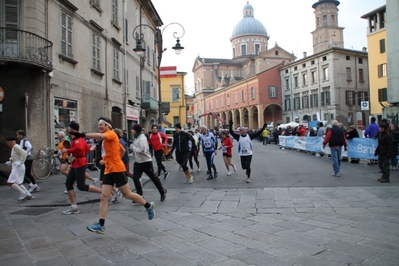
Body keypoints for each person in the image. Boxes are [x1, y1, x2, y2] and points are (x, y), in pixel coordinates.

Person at [71, 118, 156, 234]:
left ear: (108, 126)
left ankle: (148, 205)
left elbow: (100, 137)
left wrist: (82, 134)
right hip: (108, 170)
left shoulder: (110, 134)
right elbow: (122, 150)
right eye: (98, 125)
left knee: (128, 195)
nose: (99, 127)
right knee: (104, 197)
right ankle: (101, 225)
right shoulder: (107, 139)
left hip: (117, 169)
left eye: (101, 125)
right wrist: (110, 159)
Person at [61, 121, 102, 215]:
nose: (68, 129)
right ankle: (74, 206)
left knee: (81, 186)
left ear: (72, 128)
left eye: (69, 127)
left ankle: (104, 192)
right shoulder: (75, 137)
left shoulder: (78, 138)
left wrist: (68, 150)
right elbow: (86, 149)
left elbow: (79, 148)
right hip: (76, 162)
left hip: (79, 162)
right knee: (68, 183)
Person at [130, 124, 167, 201]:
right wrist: (134, 151)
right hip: (138, 162)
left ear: (136, 130)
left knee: (153, 177)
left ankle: (162, 191)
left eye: (132, 129)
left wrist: (133, 148)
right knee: (135, 178)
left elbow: (143, 150)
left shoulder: (142, 139)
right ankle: (140, 195)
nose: (131, 130)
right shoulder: (136, 138)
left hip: (146, 162)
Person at [5, 137, 34, 201]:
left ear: (12, 141)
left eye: (8, 141)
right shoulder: (14, 147)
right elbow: (16, 156)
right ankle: (28, 194)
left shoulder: (15, 147)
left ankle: (23, 193)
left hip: (18, 166)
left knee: (10, 182)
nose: (7, 143)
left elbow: (24, 153)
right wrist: (10, 162)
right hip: (17, 165)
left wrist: (21, 162)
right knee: (18, 182)